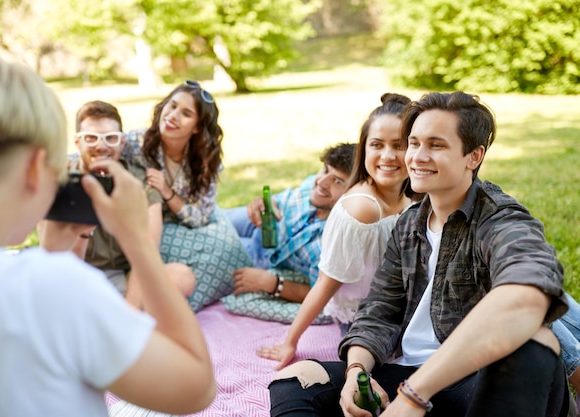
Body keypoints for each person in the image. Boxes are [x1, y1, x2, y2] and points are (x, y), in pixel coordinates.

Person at [268, 91, 569, 417]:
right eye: (413, 143)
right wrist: (357, 369)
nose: (416, 157)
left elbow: (526, 294)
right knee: (294, 380)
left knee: (533, 346)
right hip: (408, 371)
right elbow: (380, 310)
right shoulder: (410, 222)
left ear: (474, 156)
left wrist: (413, 397)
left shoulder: (500, 219)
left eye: (436, 145)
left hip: (473, 378)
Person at [0, 54, 215, 416]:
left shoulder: (41, 279)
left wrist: (52, 251)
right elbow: (197, 389)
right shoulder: (53, 286)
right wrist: (136, 240)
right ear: (34, 169)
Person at [257, 93, 415, 370]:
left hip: (402, 305)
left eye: (399, 145)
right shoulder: (361, 209)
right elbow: (325, 283)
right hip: (365, 319)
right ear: (364, 149)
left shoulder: (412, 194)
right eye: (377, 145)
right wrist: (290, 342)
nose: (388, 156)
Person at [46, 100, 195, 300]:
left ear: (122, 142)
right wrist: (84, 228)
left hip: (124, 279)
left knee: (182, 276)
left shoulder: (141, 182)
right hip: (76, 275)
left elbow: (148, 252)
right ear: (77, 142)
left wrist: (130, 310)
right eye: (90, 138)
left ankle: (118, 315)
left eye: (110, 138)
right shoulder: (60, 180)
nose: (101, 146)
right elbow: (60, 264)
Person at [226, 142, 356, 303]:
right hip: (264, 224)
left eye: (337, 181)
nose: (322, 183)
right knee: (211, 217)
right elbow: (285, 199)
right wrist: (266, 202)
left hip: (261, 259)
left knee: (214, 243)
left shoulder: (329, 245)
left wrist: (271, 283)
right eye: (325, 169)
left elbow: (320, 296)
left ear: (354, 193)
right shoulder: (315, 187)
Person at [121, 80, 223, 228]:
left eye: (186, 114)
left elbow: (200, 218)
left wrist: (167, 192)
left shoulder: (206, 160)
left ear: (197, 128)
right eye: (173, 106)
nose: (173, 116)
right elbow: (97, 151)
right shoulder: (135, 143)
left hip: (187, 228)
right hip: (143, 227)